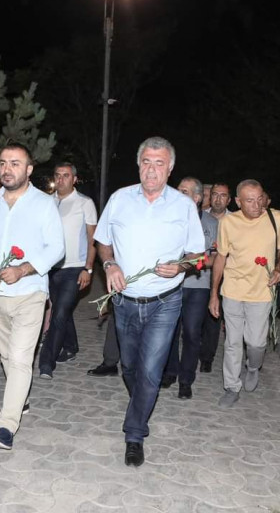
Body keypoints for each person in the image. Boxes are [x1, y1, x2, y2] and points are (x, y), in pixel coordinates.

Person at [94, 136, 204, 466]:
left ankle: (134, 433)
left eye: (159, 163)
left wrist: (180, 266)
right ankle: (141, 401)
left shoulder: (183, 206)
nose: (152, 170)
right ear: (138, 165)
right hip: (125, 301)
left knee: (151, 370)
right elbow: (102, 241)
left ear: (170, 169)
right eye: (146, 162)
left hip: (165, 302)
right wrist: (109, 264)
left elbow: (197, 255)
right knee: (130, 367)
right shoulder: (119, 199)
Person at [0, 143, 65, 450]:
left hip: (30, 292)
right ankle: (20, 399)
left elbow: (57, 248)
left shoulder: (44, 204)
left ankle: (6, 425)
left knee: (21, 358)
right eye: (3, 163)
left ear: (29, 169)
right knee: (7, 356)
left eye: (15, 163)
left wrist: (24, 269)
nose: (7, 169)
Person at [208, 179, 280, 408]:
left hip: (261, 292)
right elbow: (221, 258)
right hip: (232, 290)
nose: (257, 205)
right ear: (238, 202)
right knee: (232, 343)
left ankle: (253, 366)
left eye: (260, 198)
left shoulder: (276, 218)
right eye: (250, 201)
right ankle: (231, 387)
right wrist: (214, 293)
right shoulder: (229, 222)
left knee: (256, 343)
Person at [160, 177, 218, 399]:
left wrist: (191, 263)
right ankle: (170, 372)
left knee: (192, 333)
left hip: (198, 286)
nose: (178, 194)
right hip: (170, 284)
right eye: (178, 190)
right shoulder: (169, 217)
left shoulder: (212, 224)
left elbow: (215, 258)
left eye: (184, 191)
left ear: (197, 197)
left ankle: (186, 380)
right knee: (170, 331)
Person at [38, 162, 97, 379]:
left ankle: (46, 362)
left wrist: (88, 269)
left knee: (59, 313)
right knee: (62, 311)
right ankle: (71, 346)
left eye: (66, 175)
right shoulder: (46, 202)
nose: (61, 179)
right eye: (58, 175)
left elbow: (93, 239)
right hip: (51, 268)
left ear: (74, 179)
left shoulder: (84, 203)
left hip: (75, 268)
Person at [199, 182, 231, 372]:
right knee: (196, 316)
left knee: (214, 317)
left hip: (224, 275)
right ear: (209, 197)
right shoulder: (199, 217)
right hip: (199, 274)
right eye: (215, 195)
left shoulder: (235, 220)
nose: (218, 199)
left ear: (229, 199)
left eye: (223, 195)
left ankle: (207, 357)